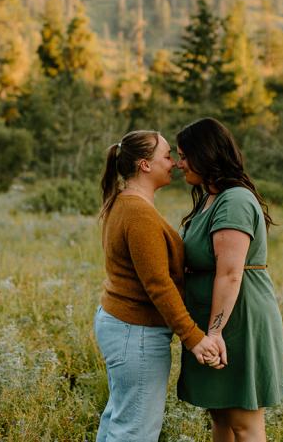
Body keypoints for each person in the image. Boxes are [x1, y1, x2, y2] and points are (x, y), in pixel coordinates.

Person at [94, 129, 226, 442]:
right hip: (135, 331)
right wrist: (194, 338)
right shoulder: (138, 213)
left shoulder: (127, 203)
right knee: (135, 429)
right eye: (167, 156)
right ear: (144, 165)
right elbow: (157, 284)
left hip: (124, 327)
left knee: (120, 420)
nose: (175, 164)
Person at [175, 118, 283, 442]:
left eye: (184, 155)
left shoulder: (234, 200)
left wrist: (215, 331)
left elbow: (230, 272)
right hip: (215, 319)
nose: (179, 163)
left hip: (237, 319)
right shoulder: (210, 198)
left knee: (243, 423)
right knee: (221, 416)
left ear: (205, 154)